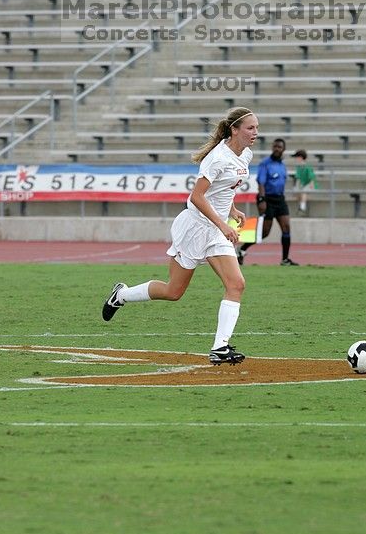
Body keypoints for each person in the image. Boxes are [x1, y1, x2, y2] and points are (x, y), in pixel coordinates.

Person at [102, 107, 259, 365]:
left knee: (236, 284)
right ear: (235, 130)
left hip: (216, 229)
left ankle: (220, 347)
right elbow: (197, 197)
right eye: (250, 128)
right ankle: (121, 295)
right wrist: (223, 224)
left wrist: (232, 209)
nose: (255, 133)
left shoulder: (246, 154)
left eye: (257, 128)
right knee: (174, 291)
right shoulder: (218, 158)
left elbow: (224, 189)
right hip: (195, 228)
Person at [236, 137, 299, 266]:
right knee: (264, 232)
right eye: (275, 146)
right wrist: (262, 199)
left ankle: (285, 259)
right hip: (267, 199)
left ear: (283, 149)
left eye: (279, 147)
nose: (276, 149)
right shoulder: (265, 163)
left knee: (286, 227)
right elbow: (261, 182)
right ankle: (242, 249)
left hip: (280, 199)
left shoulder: (282, 165)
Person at [291, 149, 316, 217]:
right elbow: (298, 178)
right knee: (298, 192)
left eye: (297, 157)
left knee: (303, 192)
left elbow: (311, 177)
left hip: (308, 184)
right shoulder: (299, 167)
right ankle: (301, 205)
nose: (296, 159)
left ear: (300, 157)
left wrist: (311, 184)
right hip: (302, 185)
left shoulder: (307, 166)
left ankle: (303, 207)